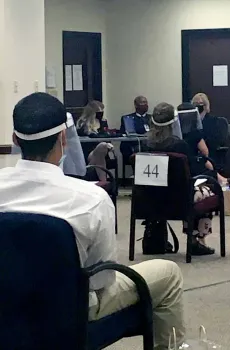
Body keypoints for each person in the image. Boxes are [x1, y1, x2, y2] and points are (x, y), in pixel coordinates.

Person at [0, 92, 186, 350]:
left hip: (6, 304)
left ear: (14, 140)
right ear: (64, 139)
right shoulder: (90, 198)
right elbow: (103, 279)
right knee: (168, 274)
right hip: (70, 312)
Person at [144, 102, 230, 255]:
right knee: (210, 189)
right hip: (180, 200)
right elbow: (193, 171)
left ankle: (153, 234)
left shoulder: (145, 145)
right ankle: (196, 240)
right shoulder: (179, 146)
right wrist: (212, 174)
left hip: (147, 199)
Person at [177, 102, 230, 186]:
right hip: (192, 164)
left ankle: (222, 179)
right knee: (206, 162)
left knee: (205, 162)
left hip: (177, 164)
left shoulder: (174, 134)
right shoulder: (195, 133)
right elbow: (205, 151)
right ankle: (222, 180)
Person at [191, 92, 228, 159]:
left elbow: (215, 140)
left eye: (201, 104)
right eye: (196, 104)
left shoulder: (214, 120)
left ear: (206, 105)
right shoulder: (190, 121)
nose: (198, 106)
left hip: (210, 152)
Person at [120, 96, 151, 161]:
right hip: (133, 146)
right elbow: (128, 133)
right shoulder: (129, 118)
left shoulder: (151, 118)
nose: (146, 105)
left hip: (149, 146)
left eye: (146, 102)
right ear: (136, 105)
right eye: (142, 102)